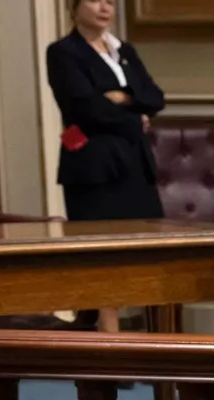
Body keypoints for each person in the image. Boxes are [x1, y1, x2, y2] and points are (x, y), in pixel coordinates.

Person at [45, 0, 166, 334]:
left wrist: (122, 97)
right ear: (73, 6)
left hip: (135, 166)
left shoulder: (123, 50)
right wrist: (134, 117)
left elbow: (155, 97)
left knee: (146, 255)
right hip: (93, 168)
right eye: (95, 0)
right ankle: (108, 341)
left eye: (110, 1)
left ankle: (155, 342)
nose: (104, 7)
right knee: (103, 258)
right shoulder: (63, 52)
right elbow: (85, 107)